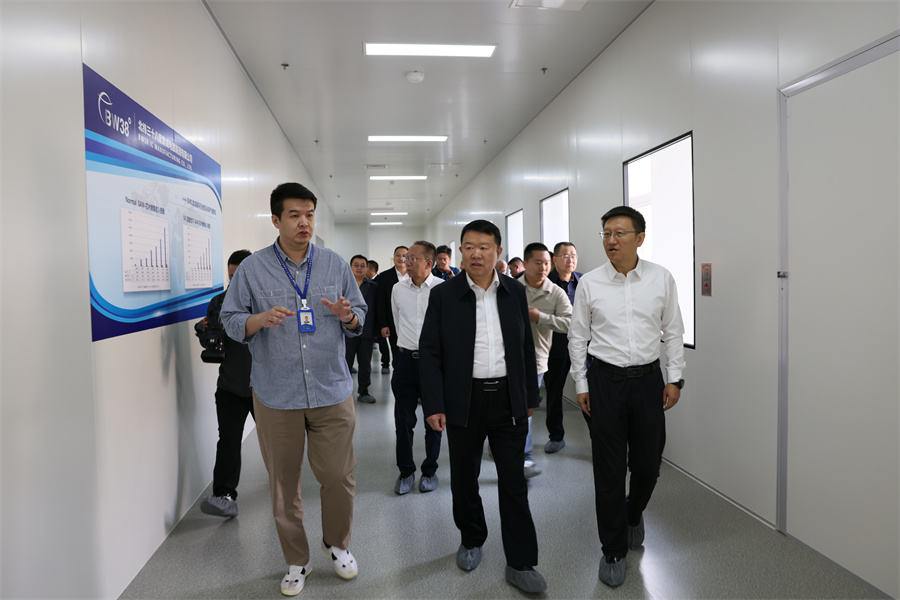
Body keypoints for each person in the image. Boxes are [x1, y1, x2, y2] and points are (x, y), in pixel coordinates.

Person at [221, 182, 367, 596]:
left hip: (330, 389)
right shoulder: (252, 269)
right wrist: (258, 320)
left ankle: (337, 544)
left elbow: (359, 315)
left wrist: (347, 316)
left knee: (338, 475)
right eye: (294, 215)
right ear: (276, 220)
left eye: (309, 215)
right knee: (284, 485)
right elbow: (230, 320)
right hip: (276, 393)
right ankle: (296, 560)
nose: (304, 223)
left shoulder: (335, 264)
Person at [420, 220, 547, 594]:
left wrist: (529, 396)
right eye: (469, 247)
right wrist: (434, 404)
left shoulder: (514, 291)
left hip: (508, 399)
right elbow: (430, 352)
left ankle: (521, 561)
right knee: (464, 478)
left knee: (513, 482)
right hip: (464, 400)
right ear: (460, 251)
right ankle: (472, 538)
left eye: (484, 247)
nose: (476, 254)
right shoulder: (444, 295)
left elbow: (524, 347)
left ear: (498, 252)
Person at [568, 206, 685, 588]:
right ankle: (613, 550)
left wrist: (675, 378)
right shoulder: (590, 283)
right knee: (609, 469)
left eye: (619, 233)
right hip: (605, 382)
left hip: (648, 381)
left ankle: (634, 514)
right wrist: (582, 384)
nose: (611, 240)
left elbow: (673, 331)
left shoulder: (660, 278)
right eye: (606, 233)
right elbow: (578, 337)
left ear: (640, 238)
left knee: (648, 465)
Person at [195, 249, 254, 519]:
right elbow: (213, 344)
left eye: (238, 276)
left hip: (265, 389)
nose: (234, 281)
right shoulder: (218, 302)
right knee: (228, 441)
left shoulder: (265, 302)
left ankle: (286, 490)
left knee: (276, 446)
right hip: (230, 386)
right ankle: (224, 495)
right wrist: (204, 332)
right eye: (231, 276)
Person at [390, 241, 444, 494]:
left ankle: (430, 471)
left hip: (434, 364)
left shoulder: (443, 289)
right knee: (403, 420)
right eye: (405, 258)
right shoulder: (398, 289)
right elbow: (397, 323)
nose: (406, 262)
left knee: (434, 420)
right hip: (405, 362)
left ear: (428, 263)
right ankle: (406, 472)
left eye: (413, 258)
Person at [520, 242, 571, 477]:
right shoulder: (511, 288)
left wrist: (540, 317)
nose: (543, 268)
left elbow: (570, 323)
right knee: (508, 408)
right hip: (506, 360)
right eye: (538, 262)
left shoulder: (556, 292)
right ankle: (511, 448)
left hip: (537, 360)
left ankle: (524, 456)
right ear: (525, 263)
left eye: (547, 263)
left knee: (526, 409)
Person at [544, 241, 584, 452]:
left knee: (589, 390)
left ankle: (598, 436)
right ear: (555, 259)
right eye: (566, 255)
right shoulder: (545, 283)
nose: (571, 260)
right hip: (555, 346)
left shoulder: (584, 282)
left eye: (574, 255)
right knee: (554, 392)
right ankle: (556, 436)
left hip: (583, 345)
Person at [347, 254, 377, 404]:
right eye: (356, 265)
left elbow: (377, 309)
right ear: (350, 267)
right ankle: (344, 392)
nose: (359, 268)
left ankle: (364, 391)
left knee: (365, 363)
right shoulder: (343, 285)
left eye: (363, 266)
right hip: (347, 331)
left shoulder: (374, 287)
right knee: (345, 362)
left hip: (367, 331)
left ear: (367, 268)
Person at [374, 245, 408, 374]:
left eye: (404, 256)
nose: (401, 258)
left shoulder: (414, 275)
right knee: (397, 353)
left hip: (411, 321)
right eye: (398, 255)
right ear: (393, 258)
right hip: (393, 322)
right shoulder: (385, 276)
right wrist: (383, 324)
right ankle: (399, 376)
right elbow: (381, 302)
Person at [367, 259, 391, 371]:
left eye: (365, 267)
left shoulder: (380, 280)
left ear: (372, 269)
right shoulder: (366, 282)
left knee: (382, 342)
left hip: (379, 317)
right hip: (369, 317)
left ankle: (385, 364)